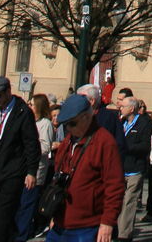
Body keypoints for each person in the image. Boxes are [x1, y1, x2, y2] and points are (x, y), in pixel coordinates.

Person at [45, 91, 125, 242]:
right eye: (66, 124)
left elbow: (115, 186)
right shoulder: (69, 140)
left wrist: (107, 222)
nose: (68, 128)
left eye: (72, 123)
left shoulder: (104, 142)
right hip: (61, 222)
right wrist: (54, 212)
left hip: (88, 225)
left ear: (86, 117)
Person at [0, 76, 40, 242]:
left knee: (4, 214)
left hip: (13, 172)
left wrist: (31, 171)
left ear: (8, 92)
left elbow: (31, 144)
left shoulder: (22, 112)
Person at [13, 93, 55, 242]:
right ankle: (21, 230)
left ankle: (22, 234)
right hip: (22, 168)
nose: (29, 107)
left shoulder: (46, 124)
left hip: (36, 170)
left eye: (32, 104)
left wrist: (29, 146)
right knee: (20, 203)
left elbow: (45, 147)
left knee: (27, 204)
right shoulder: (28, 121)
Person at [118, 94, 152, 242]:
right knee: (119, 201)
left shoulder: (144, 123)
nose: (120, 108)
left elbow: (145, 146)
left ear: (132, 108)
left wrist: (126, 147)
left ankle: (123, 235)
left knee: (129, 202)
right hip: (120, 168)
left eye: (123, 106)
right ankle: (119, 229)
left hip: (135, 169)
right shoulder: (121, 122)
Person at [77, 84, 127, 161]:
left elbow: (119, 146)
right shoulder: (76, 117)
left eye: (81, 98)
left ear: (92, 101)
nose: (77, 101)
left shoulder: (110, 118)